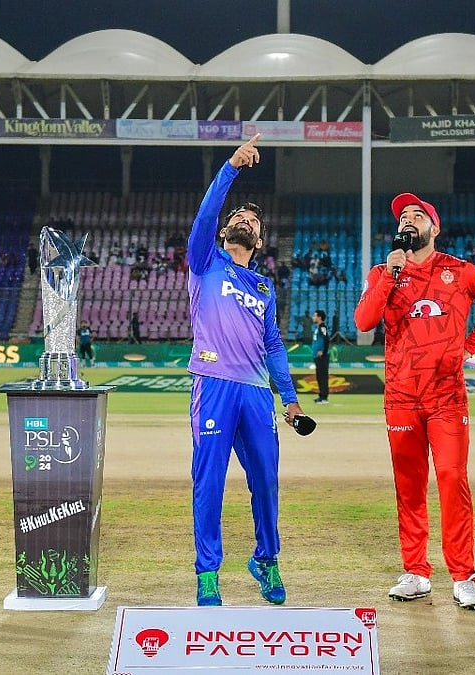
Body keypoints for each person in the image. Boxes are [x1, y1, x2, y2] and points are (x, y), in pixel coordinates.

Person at [354, 192, 475, 611]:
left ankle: (463, 577)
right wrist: (391, 275)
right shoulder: (381, 272)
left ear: (434, 227)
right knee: (409, 488)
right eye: (403, 216)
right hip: (401, 397)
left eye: (416, 215)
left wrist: (471, 345)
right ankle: (416, 573)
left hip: (447, 398)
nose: (408, 219)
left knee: (451, 480)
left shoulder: (458, 271)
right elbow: (364, 322)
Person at [186, 134, 305, 607]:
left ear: (258, 241)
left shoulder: (263, 286)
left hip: (257, 393)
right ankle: (208, 574)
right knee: (209, 480)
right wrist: (231, 166)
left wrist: (290, 399)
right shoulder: (204, 261)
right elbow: (205, 214)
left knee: (267, 482)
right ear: (223, 232)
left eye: (252, 221)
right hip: (213, 385)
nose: (242, 220)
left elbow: (273, 345)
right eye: (237, 217)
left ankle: (266, 559)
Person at [311, 309, 330, 404]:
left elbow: (327, 339)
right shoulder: (318, 327)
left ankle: (324, 397)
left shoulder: (322, 327)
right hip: (317, 356)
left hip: (322, 356)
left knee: (323, 376)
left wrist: (323, 351)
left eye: (314, 316)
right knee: (319, 376)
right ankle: (321, 396)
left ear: (319, 317)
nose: (313, 317)